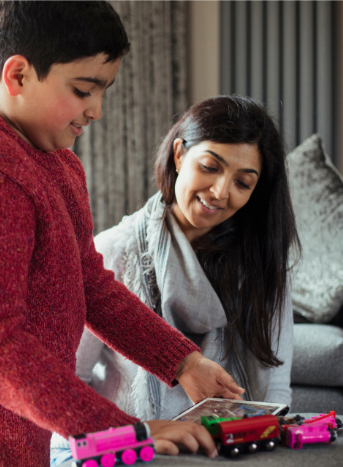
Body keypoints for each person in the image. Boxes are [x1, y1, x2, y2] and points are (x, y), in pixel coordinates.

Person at [0, 3, 245, 466]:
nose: (97, 110)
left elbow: (92, 286)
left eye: (103, 90)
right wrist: (128, 433)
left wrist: (181, 361)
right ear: (19, 75)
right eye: (84, 89)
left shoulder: (55, 161)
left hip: (26, 420)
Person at [51, 95, 300, 465]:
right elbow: (70, 381)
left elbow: (275, 386)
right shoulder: (114, 252)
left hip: (226, 447)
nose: (220, 192)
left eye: (243, 183)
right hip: (129, 447)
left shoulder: (260, 263)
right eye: (210, 167)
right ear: (180, 155)